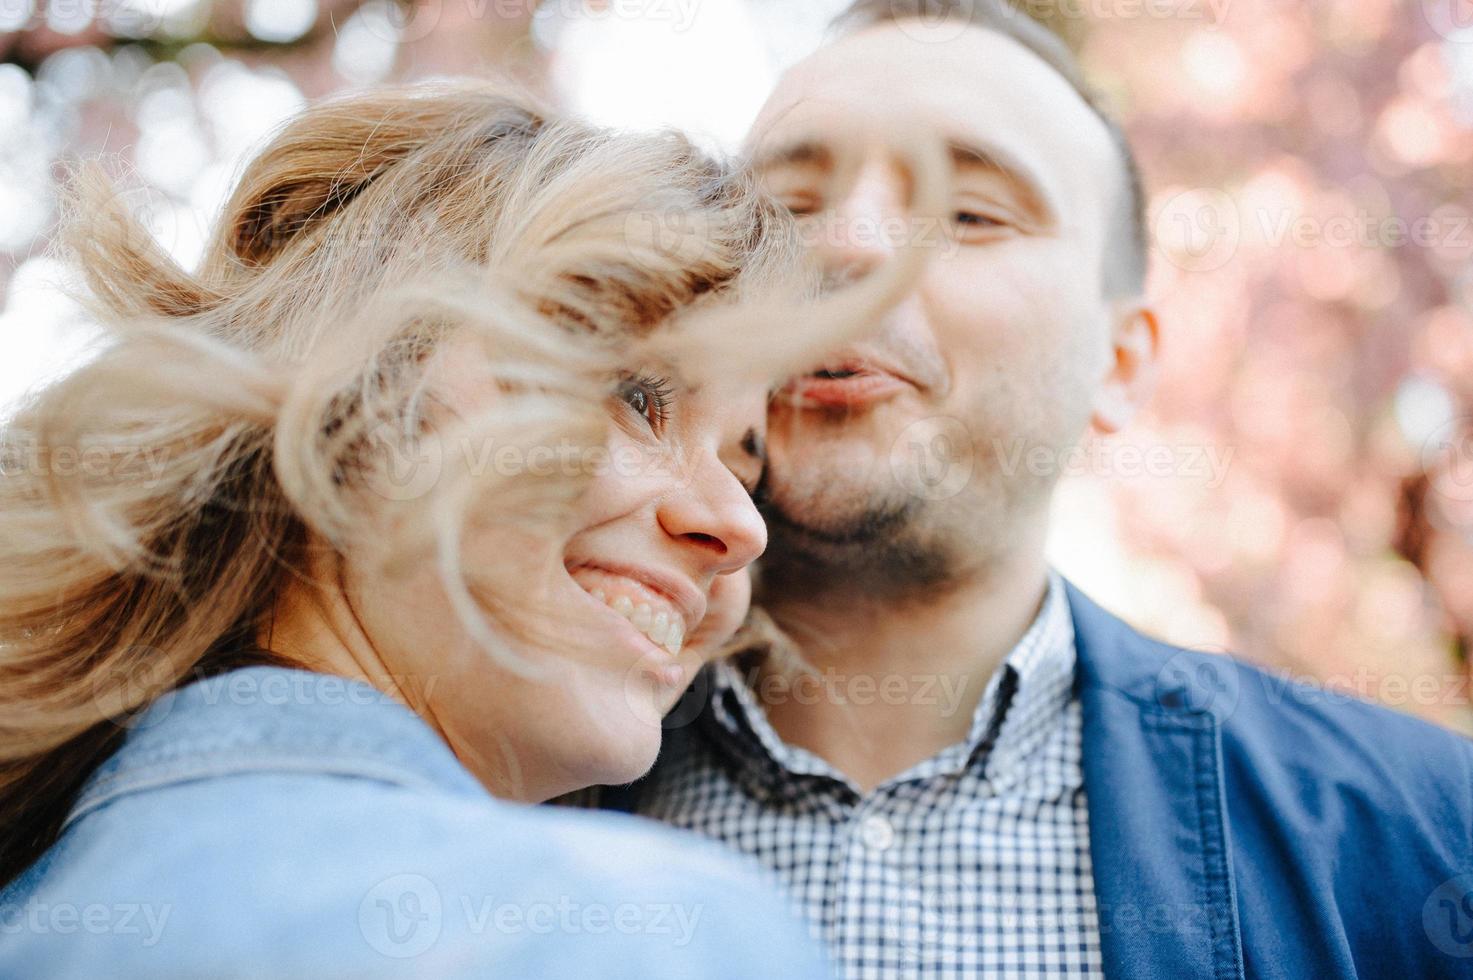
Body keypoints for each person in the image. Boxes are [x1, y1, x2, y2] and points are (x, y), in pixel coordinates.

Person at [579, 2, 1473, 977]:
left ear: (1122, 361)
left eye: (970, 213)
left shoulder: (1423, 837)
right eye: (786, 208)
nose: (849, 250)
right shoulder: (487, 776)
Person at [0, 77, 934, 977]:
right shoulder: (633, 937)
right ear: (352, 395)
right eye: (635, 394)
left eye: (744, 463)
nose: (742, 527)